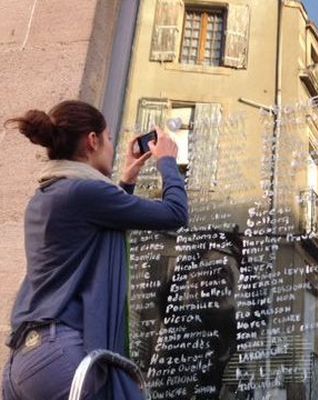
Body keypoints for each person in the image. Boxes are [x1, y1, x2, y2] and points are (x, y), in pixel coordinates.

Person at [1, 100, 188, 399]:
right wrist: (167, 161)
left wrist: (126, 181)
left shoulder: (49, 192)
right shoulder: (84, 193)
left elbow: (100, 226)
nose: (113, 148)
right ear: (92, 141)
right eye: (110, 139)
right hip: (61, 356)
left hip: (25, 362)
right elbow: (175, 214)